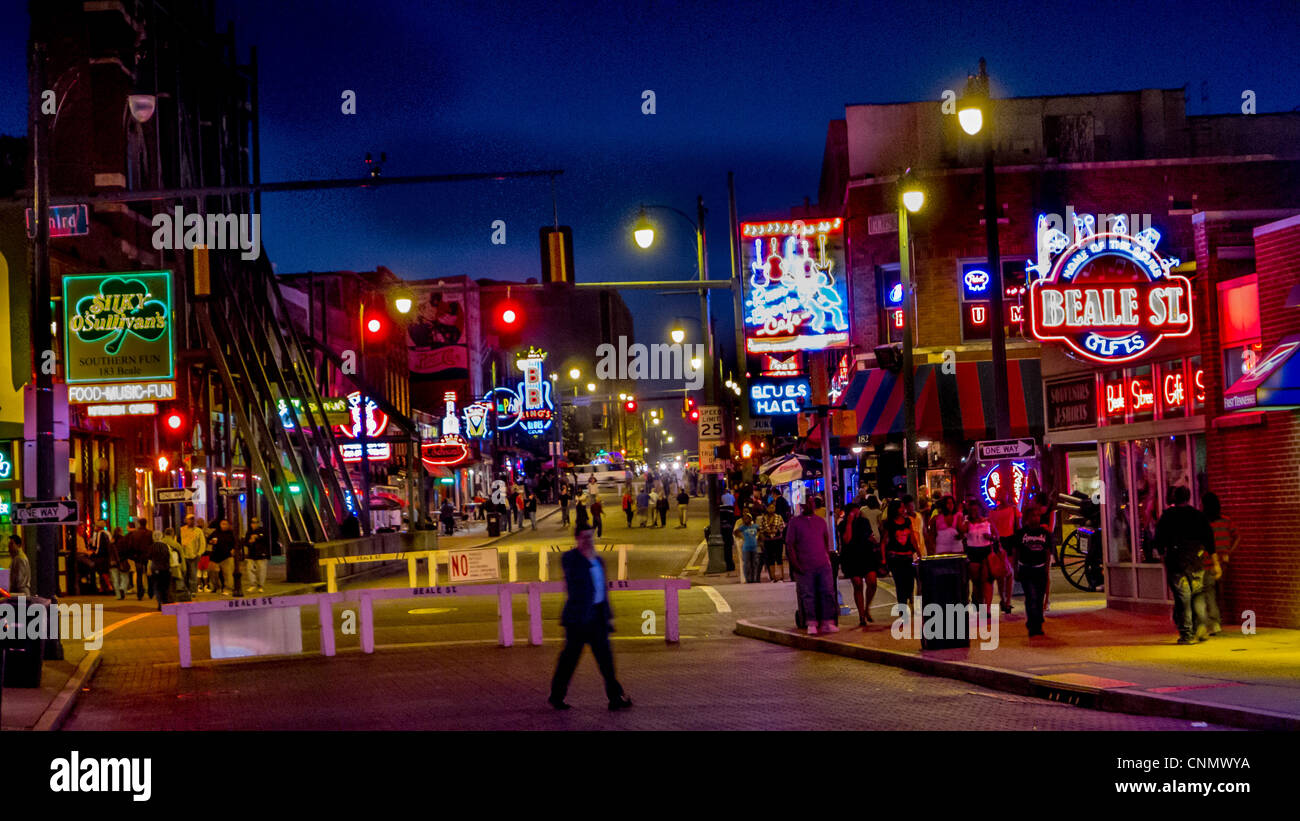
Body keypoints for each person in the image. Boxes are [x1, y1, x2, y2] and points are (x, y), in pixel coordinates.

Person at [547, 527, 632, 711]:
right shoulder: (571, 559)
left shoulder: (599, 561)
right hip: (578, 620)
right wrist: (586, 557)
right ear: (577, 538)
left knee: (606, 661)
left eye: (591, 537)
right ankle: (556, 696)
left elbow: (602, 590)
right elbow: (574, 583)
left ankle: (615, 697)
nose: (589, 540)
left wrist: (607, 615)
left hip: (597, 619)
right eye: (585, 537)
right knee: (569, 661)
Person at [1154, 486, 1219, 644]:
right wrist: (1215, 563)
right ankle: (1199, 627)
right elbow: (1209, 540)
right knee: (1197, 594)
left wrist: (1163, 555)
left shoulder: (1167, 516)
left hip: (1176, 560)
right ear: (1189, 498)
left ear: (1174, 498)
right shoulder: (1197, 516)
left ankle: (1187, 634)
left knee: (1183, 597)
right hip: (1196, 560)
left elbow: (1159, 539)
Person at [785, 501, 838, 634]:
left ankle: (827, 621)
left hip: (822, 564)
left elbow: (825, 541)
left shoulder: (820, 522)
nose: (809, 506)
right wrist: (795, 564)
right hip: (805, 565)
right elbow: (790, 545)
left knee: (827, 592)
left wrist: (826, 559)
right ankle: (811, 622)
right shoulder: (794, 522)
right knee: (808, 595)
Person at [839, 502, 882, 626]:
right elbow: (847, 539)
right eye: (853, 511)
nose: (856, 513)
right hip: (852, 557)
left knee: (872, 582)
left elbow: (869, 535)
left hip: (866, 554)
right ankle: (861, 615)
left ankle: (867, 607)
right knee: (857, 584)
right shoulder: (843, 524)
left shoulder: (864, 522)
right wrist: (849, 523)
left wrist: (873, 541)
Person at [1013, 509, 1054, 636]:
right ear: (1027, 518)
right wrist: (1015, 569)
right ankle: (1032, 623)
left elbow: (1048, 551)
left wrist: (1047, 569)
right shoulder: (1021, 533)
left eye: (1037, 516)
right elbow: (1016, 552)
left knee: (1039, 598)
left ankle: (1037, 623)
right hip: (1026, 568)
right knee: (1031, 597)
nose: (1035, 518)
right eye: (1033, 516)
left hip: (1040, 568)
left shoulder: (1045, 533)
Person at [1202, 492, 1238, 635]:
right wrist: (1229, 551)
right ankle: (1217, 620)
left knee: (1209, 593)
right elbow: (1237, 536)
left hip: (1208, 561)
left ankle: (1213, 621)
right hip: (1223, 561)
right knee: (1219, 592)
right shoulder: (1226, 521)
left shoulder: (1204, 522)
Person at [882, 499, 922, 610]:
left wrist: (918, 552)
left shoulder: (907, 521)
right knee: (899, 583)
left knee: (909, 581)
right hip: (895, 557)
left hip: (907, 556)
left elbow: (912, 537)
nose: (903, 509)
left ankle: (908, 595)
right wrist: (883, 558)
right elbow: (884, 541)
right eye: (901, 507)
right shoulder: (889, 523)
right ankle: (902, 607)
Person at [989, 487, 1020, 614]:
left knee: (1009, 573)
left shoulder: (1013, 509)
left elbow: (1018, 527)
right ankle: (1003, 599)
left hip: (1010, 540)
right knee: (1001, 574)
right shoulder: (993, 512)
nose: (1001, 495)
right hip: (998, 541)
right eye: (999, 493)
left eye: (1003, 493)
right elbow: (990, 528)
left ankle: (1007, 601)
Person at [964, 502, 995, 607]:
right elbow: (961, 535)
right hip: (973, 551)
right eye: (972, 510)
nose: (974, 512)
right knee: (976, 582)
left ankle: (987, 608)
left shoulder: (987, 522)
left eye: (976, 510)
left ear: (980, 510)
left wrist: (991, 537)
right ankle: (980, 603)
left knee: (987, 580)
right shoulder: (967, 523)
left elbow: (996, 536)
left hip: (986, 551)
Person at [148, 528, 176, 609]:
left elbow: (150, 559)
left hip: (155, 569)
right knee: (165, 586)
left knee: (157, 586)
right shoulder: (165, 546)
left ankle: (160, 602)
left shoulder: (151, 547)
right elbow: (170, 557)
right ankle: (165, 601)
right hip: (166, 568)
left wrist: (149, 569)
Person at [758, 503, 787, 582]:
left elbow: (782, 526)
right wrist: (766, 532)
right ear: (767, 508)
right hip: (768, 541)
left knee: (779, 558)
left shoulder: (778, 517)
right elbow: (761, 528)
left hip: (778, 540)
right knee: (770, 559)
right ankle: (773, 577)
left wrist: (777, 530)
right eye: (770, 507)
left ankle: (781, 576)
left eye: (773, 507)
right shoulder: (764, 518)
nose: (771, 509)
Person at [127, 517, 154, 601]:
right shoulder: (150, 533)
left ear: (139, 524)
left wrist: (133, 556)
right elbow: (152, 545)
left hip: (137, 557)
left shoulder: (134, 534)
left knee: (139, 574)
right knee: (148, 574)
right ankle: (150, 591)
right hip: (147, 556)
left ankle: (140, 593)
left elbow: (130, 546)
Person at [209, 518, 237, 596]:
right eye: (222, 524)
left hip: (227, 556)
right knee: (213, 572)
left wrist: (233, 549)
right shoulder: (216, 532)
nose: (223, 526)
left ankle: (228, 588)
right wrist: (211, 541)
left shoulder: (231, 534)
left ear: (228, 525)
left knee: (228, 574)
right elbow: (209, 539)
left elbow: (236, 543)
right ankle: (216, 587)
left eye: (225, 524)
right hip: (215, 556)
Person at [179, 514, 206, 595]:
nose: (191, 521)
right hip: (184, 555)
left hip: (194, 555)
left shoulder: (198, 531)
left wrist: (199, 553)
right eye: (189, 519)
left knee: (193, 574)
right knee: (184, 573)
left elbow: (202, 543)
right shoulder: (181, 530)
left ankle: (193, 590)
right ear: (186, 520)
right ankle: (185, 590)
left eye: (192, 519)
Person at [244, 517, 269, 593]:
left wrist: (257, 537)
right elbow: (246, 542)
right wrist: (250, 542)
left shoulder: (262, 530)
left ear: (258, 523)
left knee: (261, 570)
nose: (254, 524)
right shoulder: (249, 532)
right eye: (252, 523)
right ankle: (253, 584)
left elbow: (265, 538)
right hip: (252, 553)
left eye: (256, 522)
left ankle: (261, 586)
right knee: (250, 569)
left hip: (261, 553)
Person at [737, 513, 761, 583]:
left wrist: (757, 536)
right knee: (747, 564)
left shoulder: (755, 526)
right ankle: (748, 579)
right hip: (746, 548)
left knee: (754, 563)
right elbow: (736, 532)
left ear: (750, 519)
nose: (745, 520)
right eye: (744, 519)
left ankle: (754, 578)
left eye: (747, 518)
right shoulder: (743, 527)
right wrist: (742, 537)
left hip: (754, 547)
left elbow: (759, 531)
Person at [106, 527, 129, 599]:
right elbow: (126, 550)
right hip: (122, 561)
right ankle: (122, 588)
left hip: (112, 562)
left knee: (115, 579)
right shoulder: (124, 540)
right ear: (120, 532)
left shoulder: (111, 541)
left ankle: (118, 595)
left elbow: (108, 552)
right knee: (124, 577)